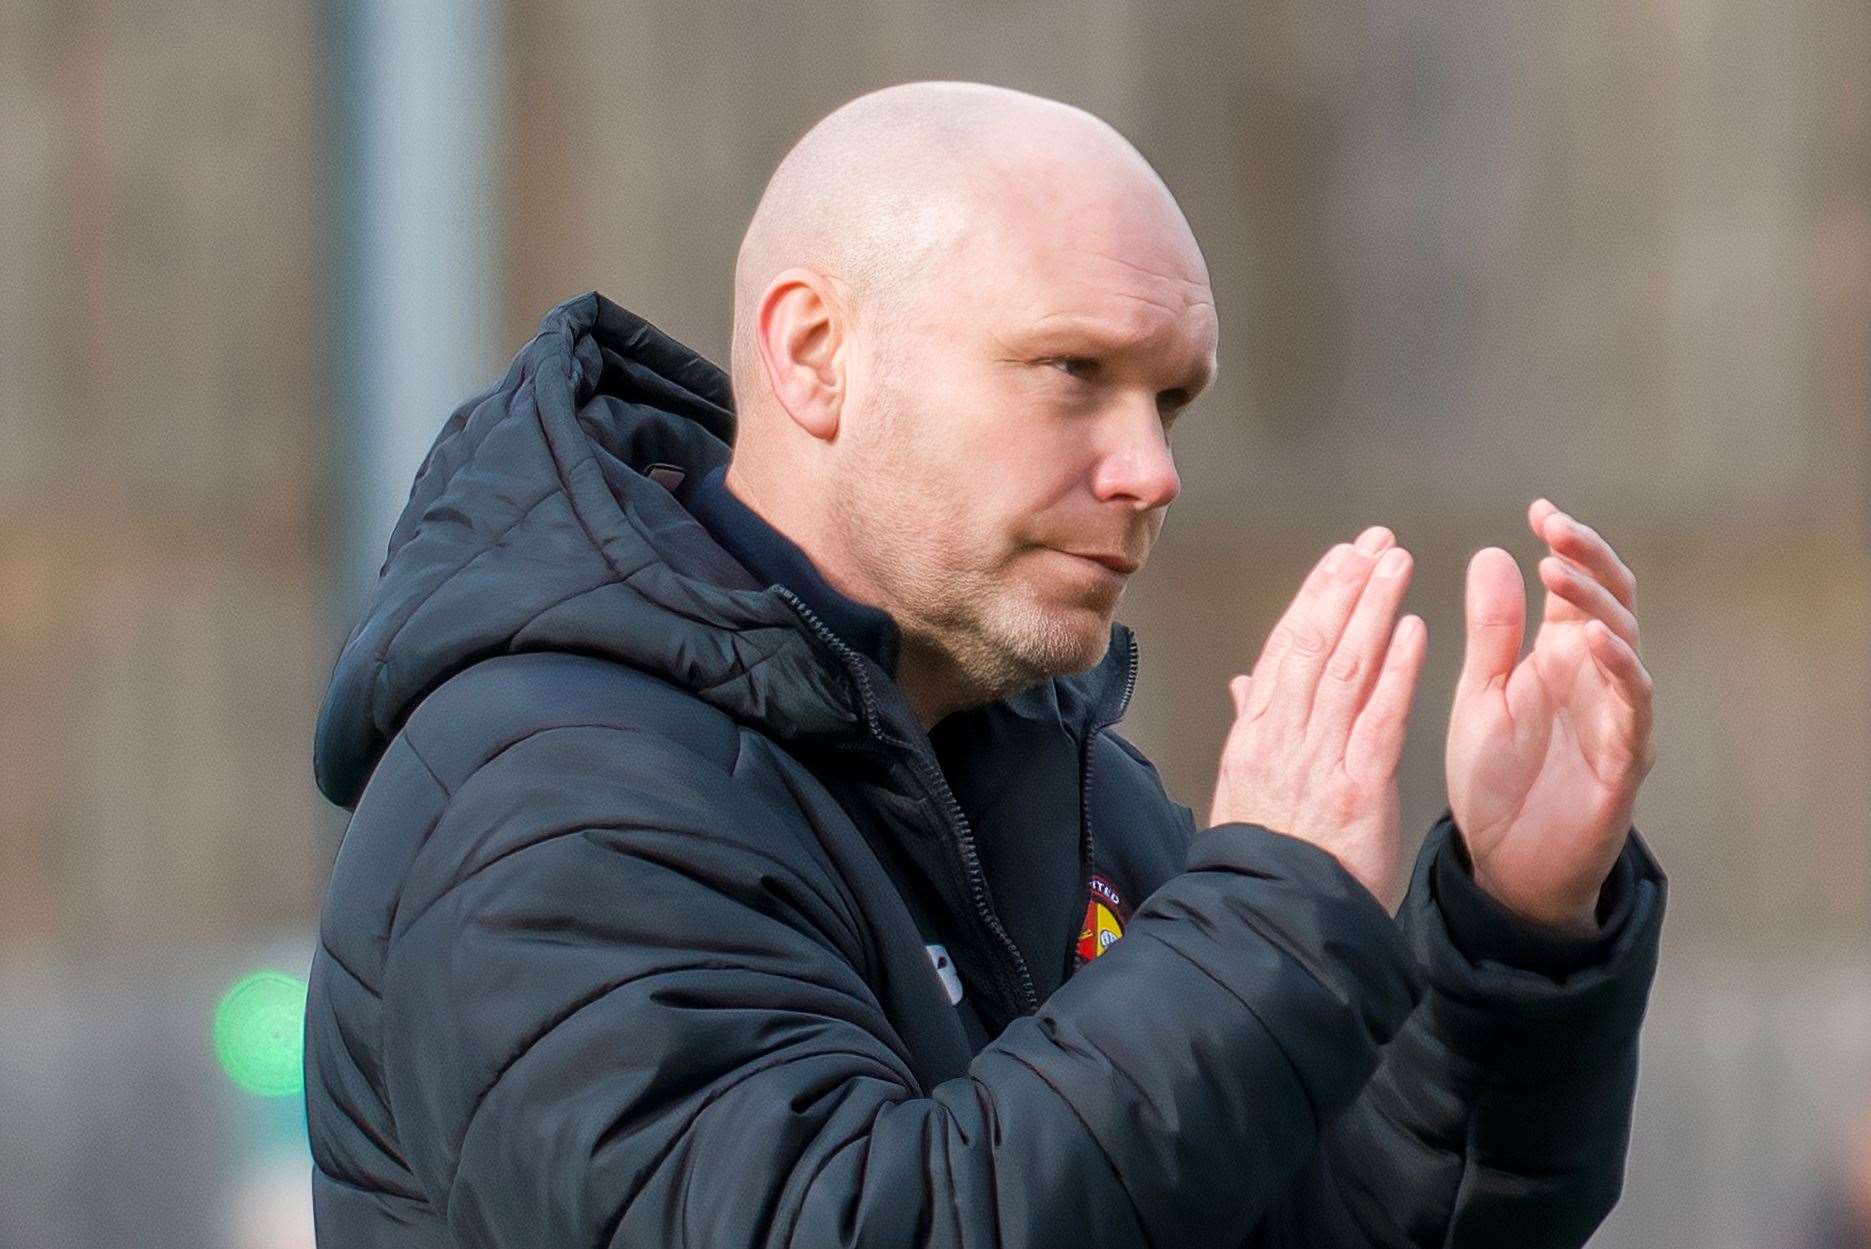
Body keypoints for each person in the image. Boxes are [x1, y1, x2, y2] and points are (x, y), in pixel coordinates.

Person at [304, 80, 1666, 1248]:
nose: (1152, 471)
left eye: (1172, 398)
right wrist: (1263, 925)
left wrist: (1514, 929)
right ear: (816, 354)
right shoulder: (555, 793)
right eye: (1072, 369)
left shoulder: (1047, 769)